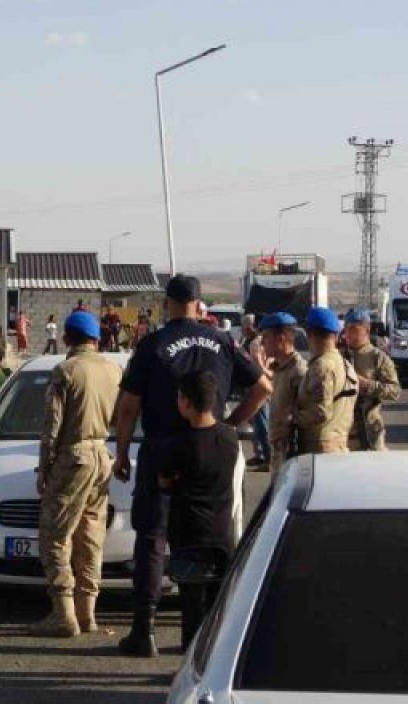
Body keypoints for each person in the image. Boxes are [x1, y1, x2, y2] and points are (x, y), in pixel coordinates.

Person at [112, 274, 269, 658]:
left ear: (168, 302)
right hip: (210, 447)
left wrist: (120, 453)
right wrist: (229, 427)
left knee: (152, 538)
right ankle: (200, 634)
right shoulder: (223, 341)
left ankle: (144, 629)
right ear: (200, 305)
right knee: (204, 536)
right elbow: (264, 386)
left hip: (162, 445)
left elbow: (129, 406)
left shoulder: (151, 344)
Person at [28, 311, 123, 638]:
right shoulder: (113, 370)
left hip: (74, 456)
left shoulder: (65, 371)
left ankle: (63, 614)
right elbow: (120, 416)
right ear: (96, 339)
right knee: (91, 535)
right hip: (101, 454)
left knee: (55, 534)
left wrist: (45, 465)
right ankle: (88, 613)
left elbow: (52, 425)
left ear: (67, 338)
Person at [158, 371, 239, 651]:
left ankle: (192, 664)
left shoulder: (180, 442)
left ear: (186, 402)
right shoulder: (230, 438)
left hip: (189, 535)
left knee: (192, 609)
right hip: (221, 533)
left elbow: (164, 479)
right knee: (218, 609)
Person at [294, 307, 358, 454]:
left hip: (320, 448)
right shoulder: (345, 364)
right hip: (338, 443)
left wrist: (293, 417)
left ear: (309, 334)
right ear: (335, 335)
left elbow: (321, 412)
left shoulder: (322, 367)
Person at [342, 309, 401, 450]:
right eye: (347, 329)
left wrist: (367, 385)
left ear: (367, 330)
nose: (349, 334)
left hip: (371, 430)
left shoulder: (378, 358)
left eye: (354, 329)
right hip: (344, 431)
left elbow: (395, 391)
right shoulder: (339, 356)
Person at [259, 312, 307, 472]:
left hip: (291, 453)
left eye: (266, 337)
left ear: (281, 338)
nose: (262, 343)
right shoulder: (278, 368)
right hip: (278, 449)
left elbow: (307, 416)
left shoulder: (299, 371)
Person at [239, 315, 271, 468]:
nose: (244, 330)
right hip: (255, 385)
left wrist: (267, 374)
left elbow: (258, 365)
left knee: (262, 422)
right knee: (256, 422)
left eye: (245, 327)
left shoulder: (256, 342)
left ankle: (267, 457)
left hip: (258, 386)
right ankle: (260, 454)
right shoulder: (250, 341)